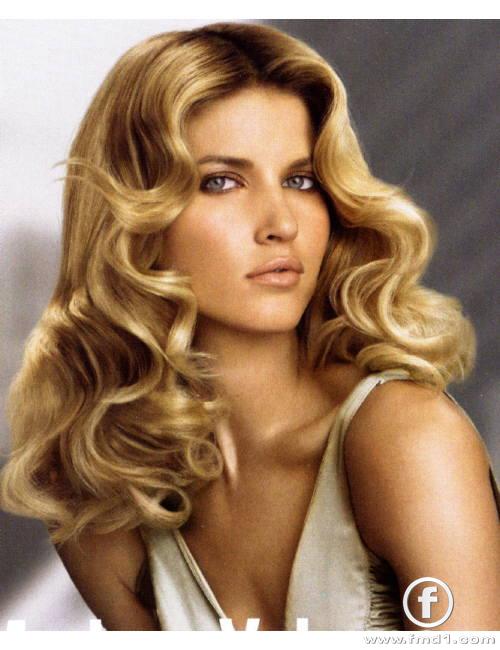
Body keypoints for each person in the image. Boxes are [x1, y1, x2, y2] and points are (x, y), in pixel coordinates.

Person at [0, 22, 498, 632]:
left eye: (300, 180)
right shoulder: (97, 494)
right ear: (133, 216)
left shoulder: (406, 439)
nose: (280, 223)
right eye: (222, 181)